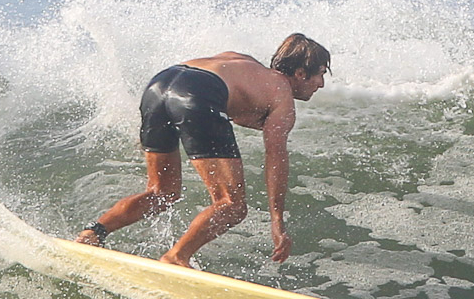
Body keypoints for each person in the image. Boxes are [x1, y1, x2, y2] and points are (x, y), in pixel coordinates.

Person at [75, 33, 329, 268]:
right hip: (198, 93)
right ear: (299, 73)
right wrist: (277, 221)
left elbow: (227, 99)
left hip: (160, 84)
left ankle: (93, 233)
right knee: (232, 205)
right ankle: (176, 257)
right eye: (319, 74)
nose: (321, 84)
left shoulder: (244, 64)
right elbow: (276, 158)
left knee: (161, 191)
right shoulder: (281, 94)